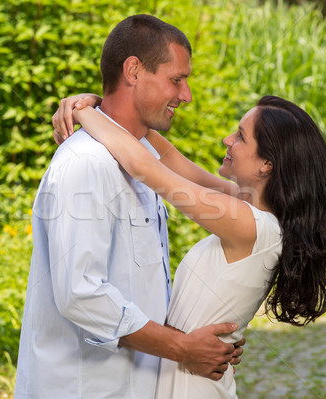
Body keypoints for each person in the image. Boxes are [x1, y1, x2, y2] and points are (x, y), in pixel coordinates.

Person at [14, 14, 244, 399]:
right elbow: (80, 292)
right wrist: (182, 347)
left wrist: (93, 105)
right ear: (134, 70)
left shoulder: (145, 156)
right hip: (83, 389)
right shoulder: (87, 163)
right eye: (176, 79)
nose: (185, 95)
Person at [54, 94, 326, 398]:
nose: (227, 139)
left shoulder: (252, 225)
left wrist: (82, 111)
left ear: (267, 165)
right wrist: (111, 106)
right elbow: (169, 159)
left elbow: (145, 167)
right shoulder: (255, 212)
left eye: (241, 137)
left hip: (194, 387)